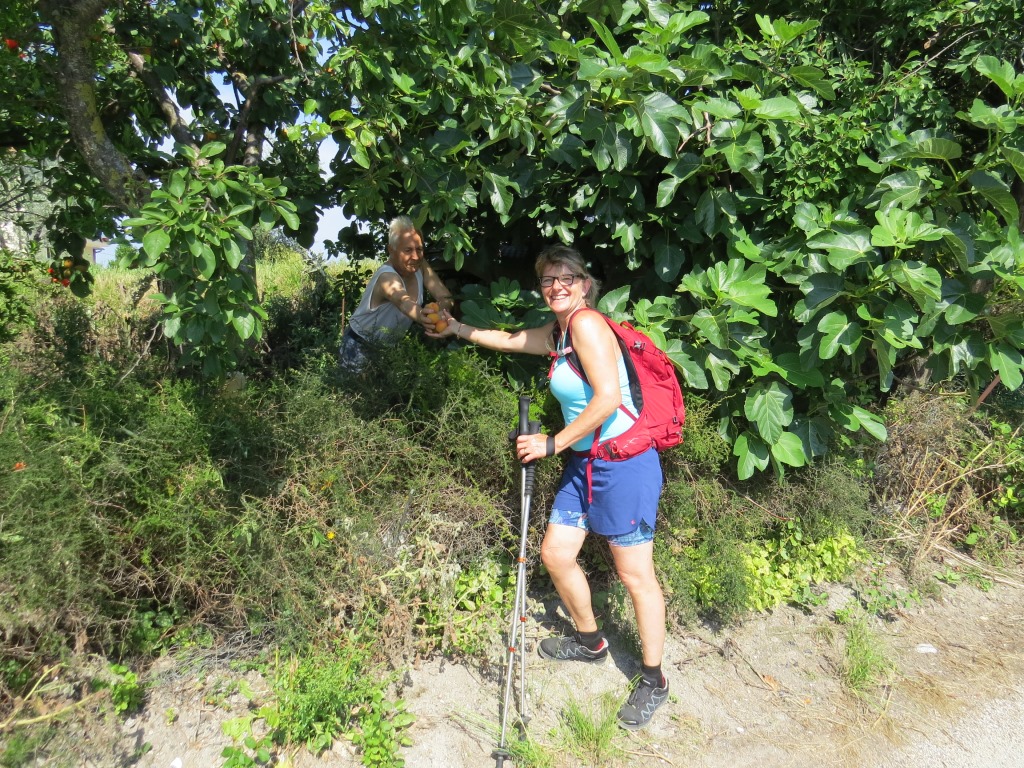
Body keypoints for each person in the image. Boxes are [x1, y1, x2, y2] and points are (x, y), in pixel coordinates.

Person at [429, 244, 669, 730]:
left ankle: (654, 678)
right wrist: (456, 328)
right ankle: (591, 642)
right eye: (547, 281)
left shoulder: (586, 325)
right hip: (584, 463)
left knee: (634, 573)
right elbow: (513, 339)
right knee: (557, 554)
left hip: (623, 463)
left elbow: (605, 401)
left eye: (567, 278)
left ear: (584, 285)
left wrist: (552, 443)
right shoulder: (560, 334)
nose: (556, 286)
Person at [340, 215, 454, 371]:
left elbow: (445, 297)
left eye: (419, 249)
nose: (415, 256)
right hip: (359, 346)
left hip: (388, 348)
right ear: (391, 250)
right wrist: (423, 316)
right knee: (355, 394)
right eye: (407, 250)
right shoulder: (387, 277)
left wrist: (441, 311)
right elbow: (403, 302)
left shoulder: (420, 265)